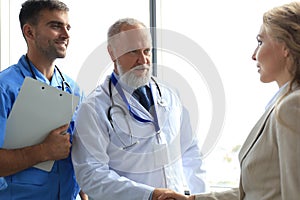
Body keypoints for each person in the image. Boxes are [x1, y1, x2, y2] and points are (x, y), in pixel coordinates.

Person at [157, 1, 300, 200]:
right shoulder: (281, 104)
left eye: (260, 41)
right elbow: (252, 192)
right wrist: (192, 199)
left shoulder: (292, 106)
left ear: (284, 47)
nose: (254, 55)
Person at [71, 18, 206, 200]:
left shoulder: (170, 95)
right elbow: (91, 175)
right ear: (112, 53)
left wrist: (202, 196)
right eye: (133, 52)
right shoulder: (95, 108)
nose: (142, 60)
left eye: (147, 51)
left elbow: (191, 152)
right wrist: (149, 195)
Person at [0, 0, 87, 199]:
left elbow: (81, 153)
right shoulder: (4, 88)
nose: (66, 35)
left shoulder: (74, 90)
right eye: (56, 26)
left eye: (67, 27)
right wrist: (43, 151)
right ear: (29, 32)